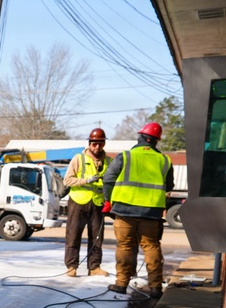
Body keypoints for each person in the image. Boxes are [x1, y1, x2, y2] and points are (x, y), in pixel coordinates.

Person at [102, 122, 174, 297]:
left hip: (125, 211)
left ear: (140, 137)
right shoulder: (164, 160)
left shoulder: (125, 156)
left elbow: (108, 179)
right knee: (151, 247)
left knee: (125, 246)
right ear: (156, 141)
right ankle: (156, 287)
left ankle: (121, 284)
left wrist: (108, 200)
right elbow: (169, 185)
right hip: (151, 213)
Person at [63, 128, 111, 277]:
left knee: (97, 237)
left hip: (98, 203)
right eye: (94, 143)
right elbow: (67, 180)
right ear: (90, 143)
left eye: (100, 144)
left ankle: (94, 267)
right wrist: (86, 181)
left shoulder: (109, 161)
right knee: (73, 234)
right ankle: (72, 266)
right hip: (79, 202)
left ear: (104, 144)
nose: (97, 147)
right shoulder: (79, 159)